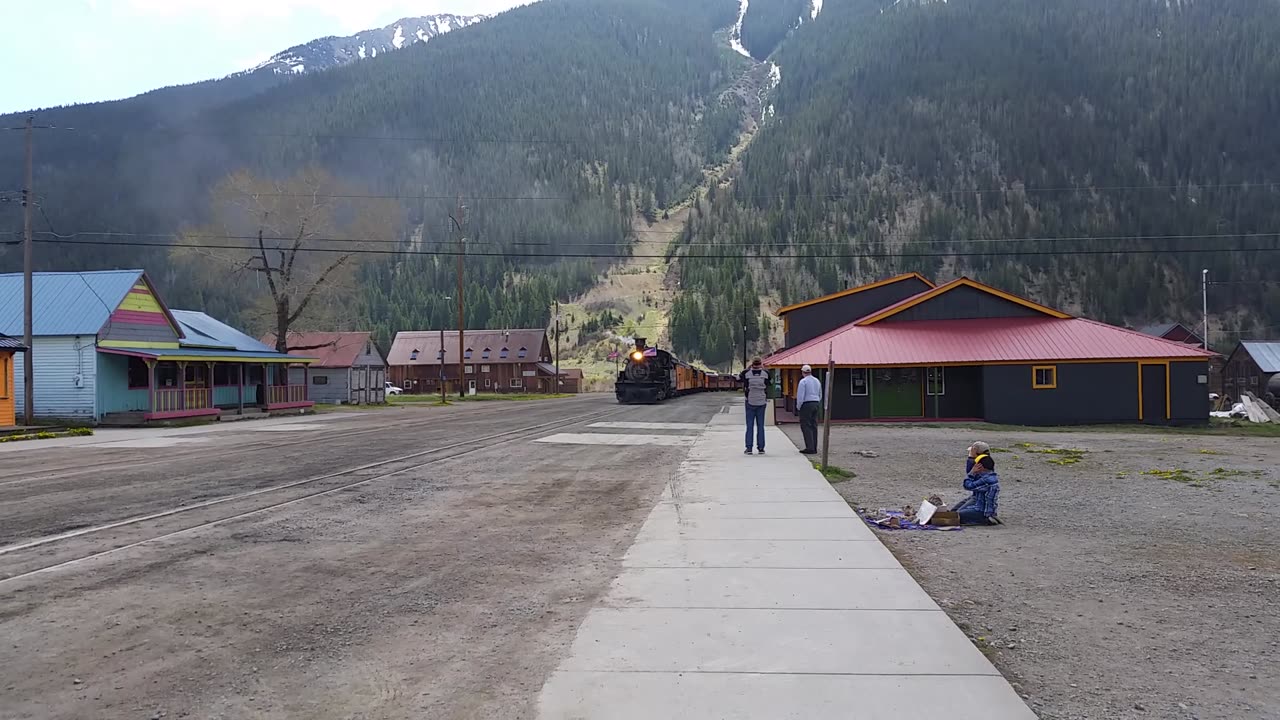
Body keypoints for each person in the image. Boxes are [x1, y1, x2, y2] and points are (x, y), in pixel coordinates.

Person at [956, 454, 1001, 525]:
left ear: (980, 467)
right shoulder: (990, 475)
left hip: (983, 511)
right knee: (955, 511)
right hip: (981, 507)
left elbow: (968, 486)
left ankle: (984, 520)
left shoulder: (986, 479)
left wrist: (972, 472)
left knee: (956, 515)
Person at [738, 357, 769, 455]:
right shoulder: (766, 374)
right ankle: (761, 448)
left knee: (749, 426)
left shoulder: (746, 374)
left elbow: (738, 379)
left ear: (752, 364)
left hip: (750, 401)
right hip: (761, 401)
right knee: (761, 426)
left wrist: (747, 369)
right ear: (760, 364)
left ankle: (749, 448)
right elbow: (770, 384)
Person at [796, 364, 822, 454]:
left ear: (803, 372)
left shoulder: (803, 382)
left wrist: (799, 406)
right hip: (816, 402)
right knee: (814, 425)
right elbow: (820, 393)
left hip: (806, 404)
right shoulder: (817, 381)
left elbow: (800, 396)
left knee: (806, 425)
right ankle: (814, 446)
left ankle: (809, 447)